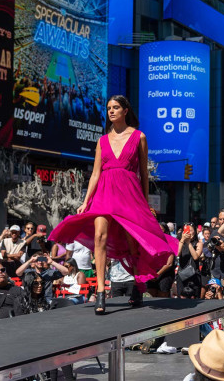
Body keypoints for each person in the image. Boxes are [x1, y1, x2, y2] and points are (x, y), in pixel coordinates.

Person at [49, 95, 178, 315]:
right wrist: (85, 201)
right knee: (100, 236)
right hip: (104, 193)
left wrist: (145, 203)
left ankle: (138, 285)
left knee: (132, 242)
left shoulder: (139, 137)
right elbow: (95, 173)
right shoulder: (102, 141)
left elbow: (143, 174)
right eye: (109, 108)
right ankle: (101, 291)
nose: (111, 111)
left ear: (125, 110)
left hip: (130, 194)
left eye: (115, 107)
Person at [176, 223, 203, 298]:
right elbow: (177, 253)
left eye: (190, 230)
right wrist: (182, 240)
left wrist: (189, 243)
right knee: (181, 298)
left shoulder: (199, 243)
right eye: (186, 230)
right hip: (182, 274)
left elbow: (195, 257)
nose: (188, 232)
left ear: (195, 232)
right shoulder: (180, 242)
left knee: (194, 297)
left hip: (194, 274)